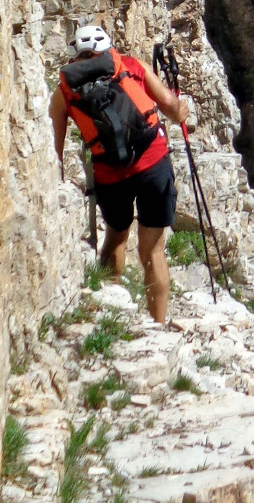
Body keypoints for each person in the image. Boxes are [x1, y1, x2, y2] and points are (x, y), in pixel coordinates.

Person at [50, 24, 193, 324]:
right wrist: (182, 108)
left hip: (110, 173)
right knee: (153, 250)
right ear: (108, 49)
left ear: (75, 54)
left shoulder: (63, 92)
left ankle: (111, 314)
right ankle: (158, 325)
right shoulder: (130, 65)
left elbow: (55, 151)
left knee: (116, 236)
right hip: (153, 163)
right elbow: (171, 108)